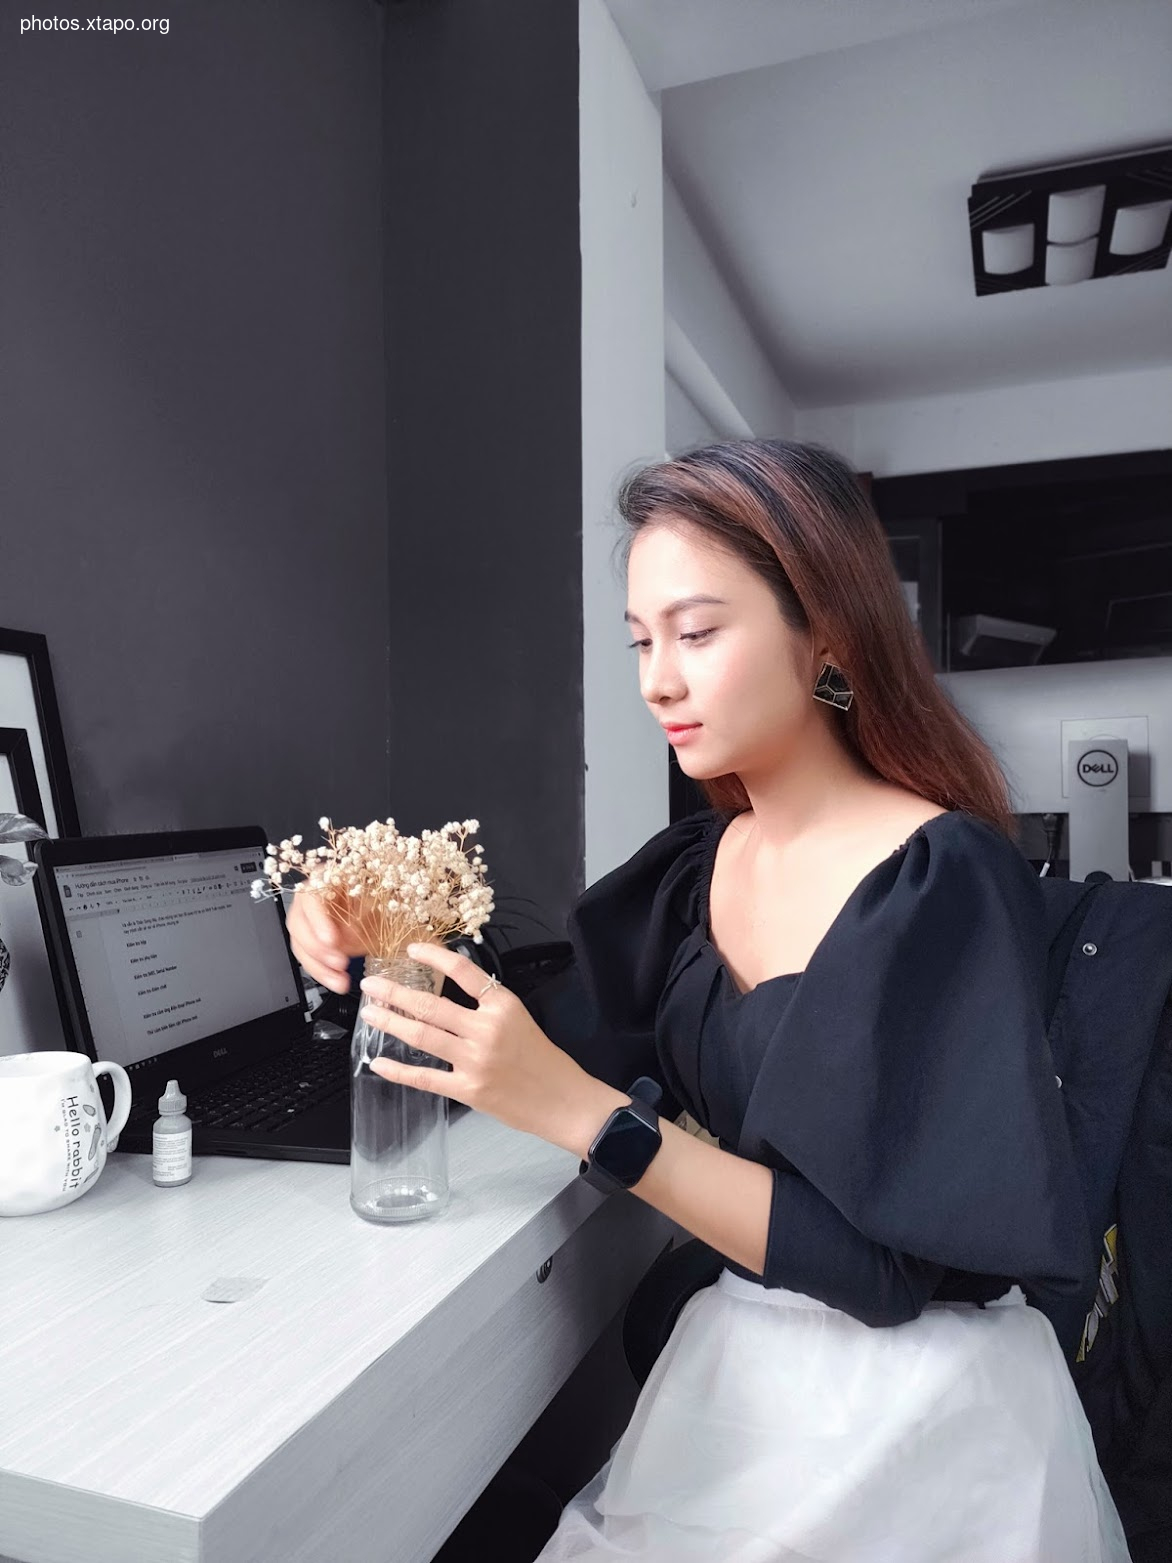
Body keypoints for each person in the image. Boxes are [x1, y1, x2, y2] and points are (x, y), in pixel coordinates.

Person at [288, 439, 1131, 1561]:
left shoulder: (939, 880)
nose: (656, 681)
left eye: (696, 632)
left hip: (911, 1416)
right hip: (743, 1371)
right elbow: (549, 1040)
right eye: (642, 641)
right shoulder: (697, 870)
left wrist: (593, 1121)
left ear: (825, 633)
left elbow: (886, 1275)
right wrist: (373, 945)